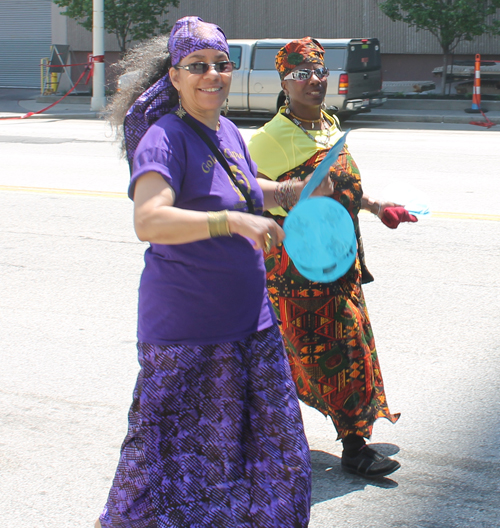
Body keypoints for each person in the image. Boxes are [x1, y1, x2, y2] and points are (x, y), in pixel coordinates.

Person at [95, 18, 327, 528]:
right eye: (197, 66)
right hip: (188, 330)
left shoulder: (225, 131)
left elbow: (245, 190)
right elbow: (149, 219)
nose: (212, 75)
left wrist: (289, 192)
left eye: (221, 65)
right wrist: (231, 222)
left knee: (268, 452)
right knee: (166, 463)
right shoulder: (164, 138)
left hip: (251, 323)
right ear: (173, 76)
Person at [248, 37, 417, 479]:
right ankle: (355, 446)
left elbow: (341, 186)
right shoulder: (269, 140)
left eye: (319, 72)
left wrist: (377, 207)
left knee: (333, 348)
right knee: (330, 352)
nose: (313, 81)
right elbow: (247, 202)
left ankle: (280, 433)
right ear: (283, 83)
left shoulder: (328, 125)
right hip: (299, 269)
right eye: (301, 74)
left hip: (339, 260)